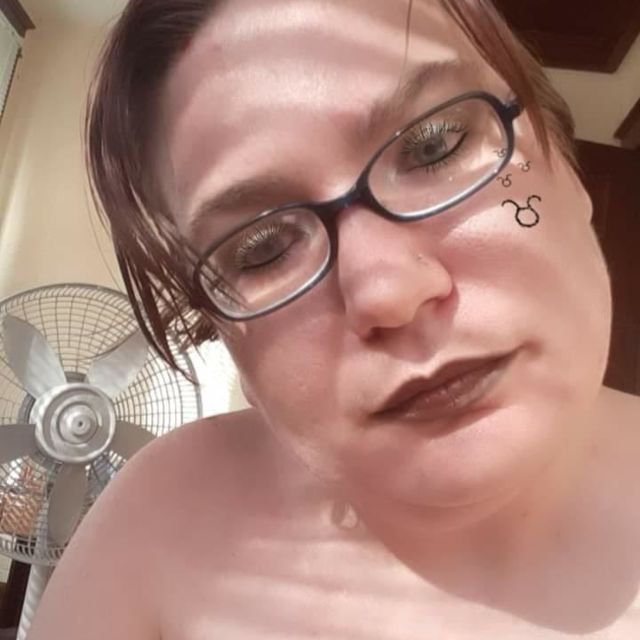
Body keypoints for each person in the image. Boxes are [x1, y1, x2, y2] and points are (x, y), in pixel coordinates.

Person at [28, 0, 640, 638]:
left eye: (435, 146)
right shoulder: (158, 523)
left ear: (565, 163)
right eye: (263, 248)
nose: (388, 295)